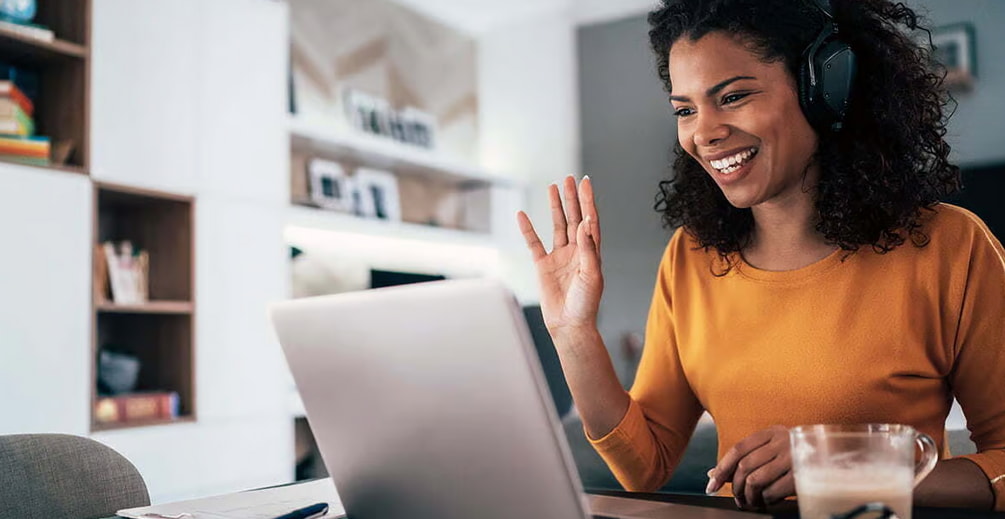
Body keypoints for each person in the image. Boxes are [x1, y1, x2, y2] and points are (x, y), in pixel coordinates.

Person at [516, 0, 1005, 512]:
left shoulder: (950, 246)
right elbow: (644, 466)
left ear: (824, 90)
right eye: (685, 109)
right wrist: (574, 335)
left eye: (733, 96)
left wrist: (848, 473)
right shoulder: (690, 257)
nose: (702, 133)